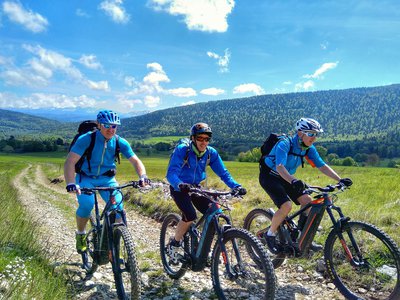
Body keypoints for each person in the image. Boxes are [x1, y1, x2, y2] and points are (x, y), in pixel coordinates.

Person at [259, 117, 352, 253]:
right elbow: (280, 167)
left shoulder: (309, 149)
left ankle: (302, 238)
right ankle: (270, 235)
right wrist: (293, 181)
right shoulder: (285, 144)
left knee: (308, 201)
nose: (314, 138)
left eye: (316, 134)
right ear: (300, 133)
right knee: (286, 206)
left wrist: (340, 180)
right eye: (311, 134)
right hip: (270, 176)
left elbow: (322, 166)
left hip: (287, 178)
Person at [64, 110, 150, 254]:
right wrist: (71, 182)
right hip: (85, 178)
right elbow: (70, 162)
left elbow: (135, 160)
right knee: (87, 204)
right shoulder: (86, 139)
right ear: (98, 125)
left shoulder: (118, 141)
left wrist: (143, 176)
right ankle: (80, 234)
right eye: (106, 125)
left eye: (114, 126)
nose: (111, 129)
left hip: (107, 180)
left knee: (118, 209)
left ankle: (113, 247)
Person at [166, 122, 246, 259]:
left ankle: (202, 246)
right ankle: (174, 243)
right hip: (179, 188)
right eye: (200, 138)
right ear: (193, 138)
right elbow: (171, 174)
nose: (204, 142)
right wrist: (179, 184)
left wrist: (235, 186)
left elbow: (223, 173)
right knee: (190, 215)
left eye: (207, 139)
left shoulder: (211, 153)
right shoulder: (182, 150)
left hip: (196, 187)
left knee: (215, 212)